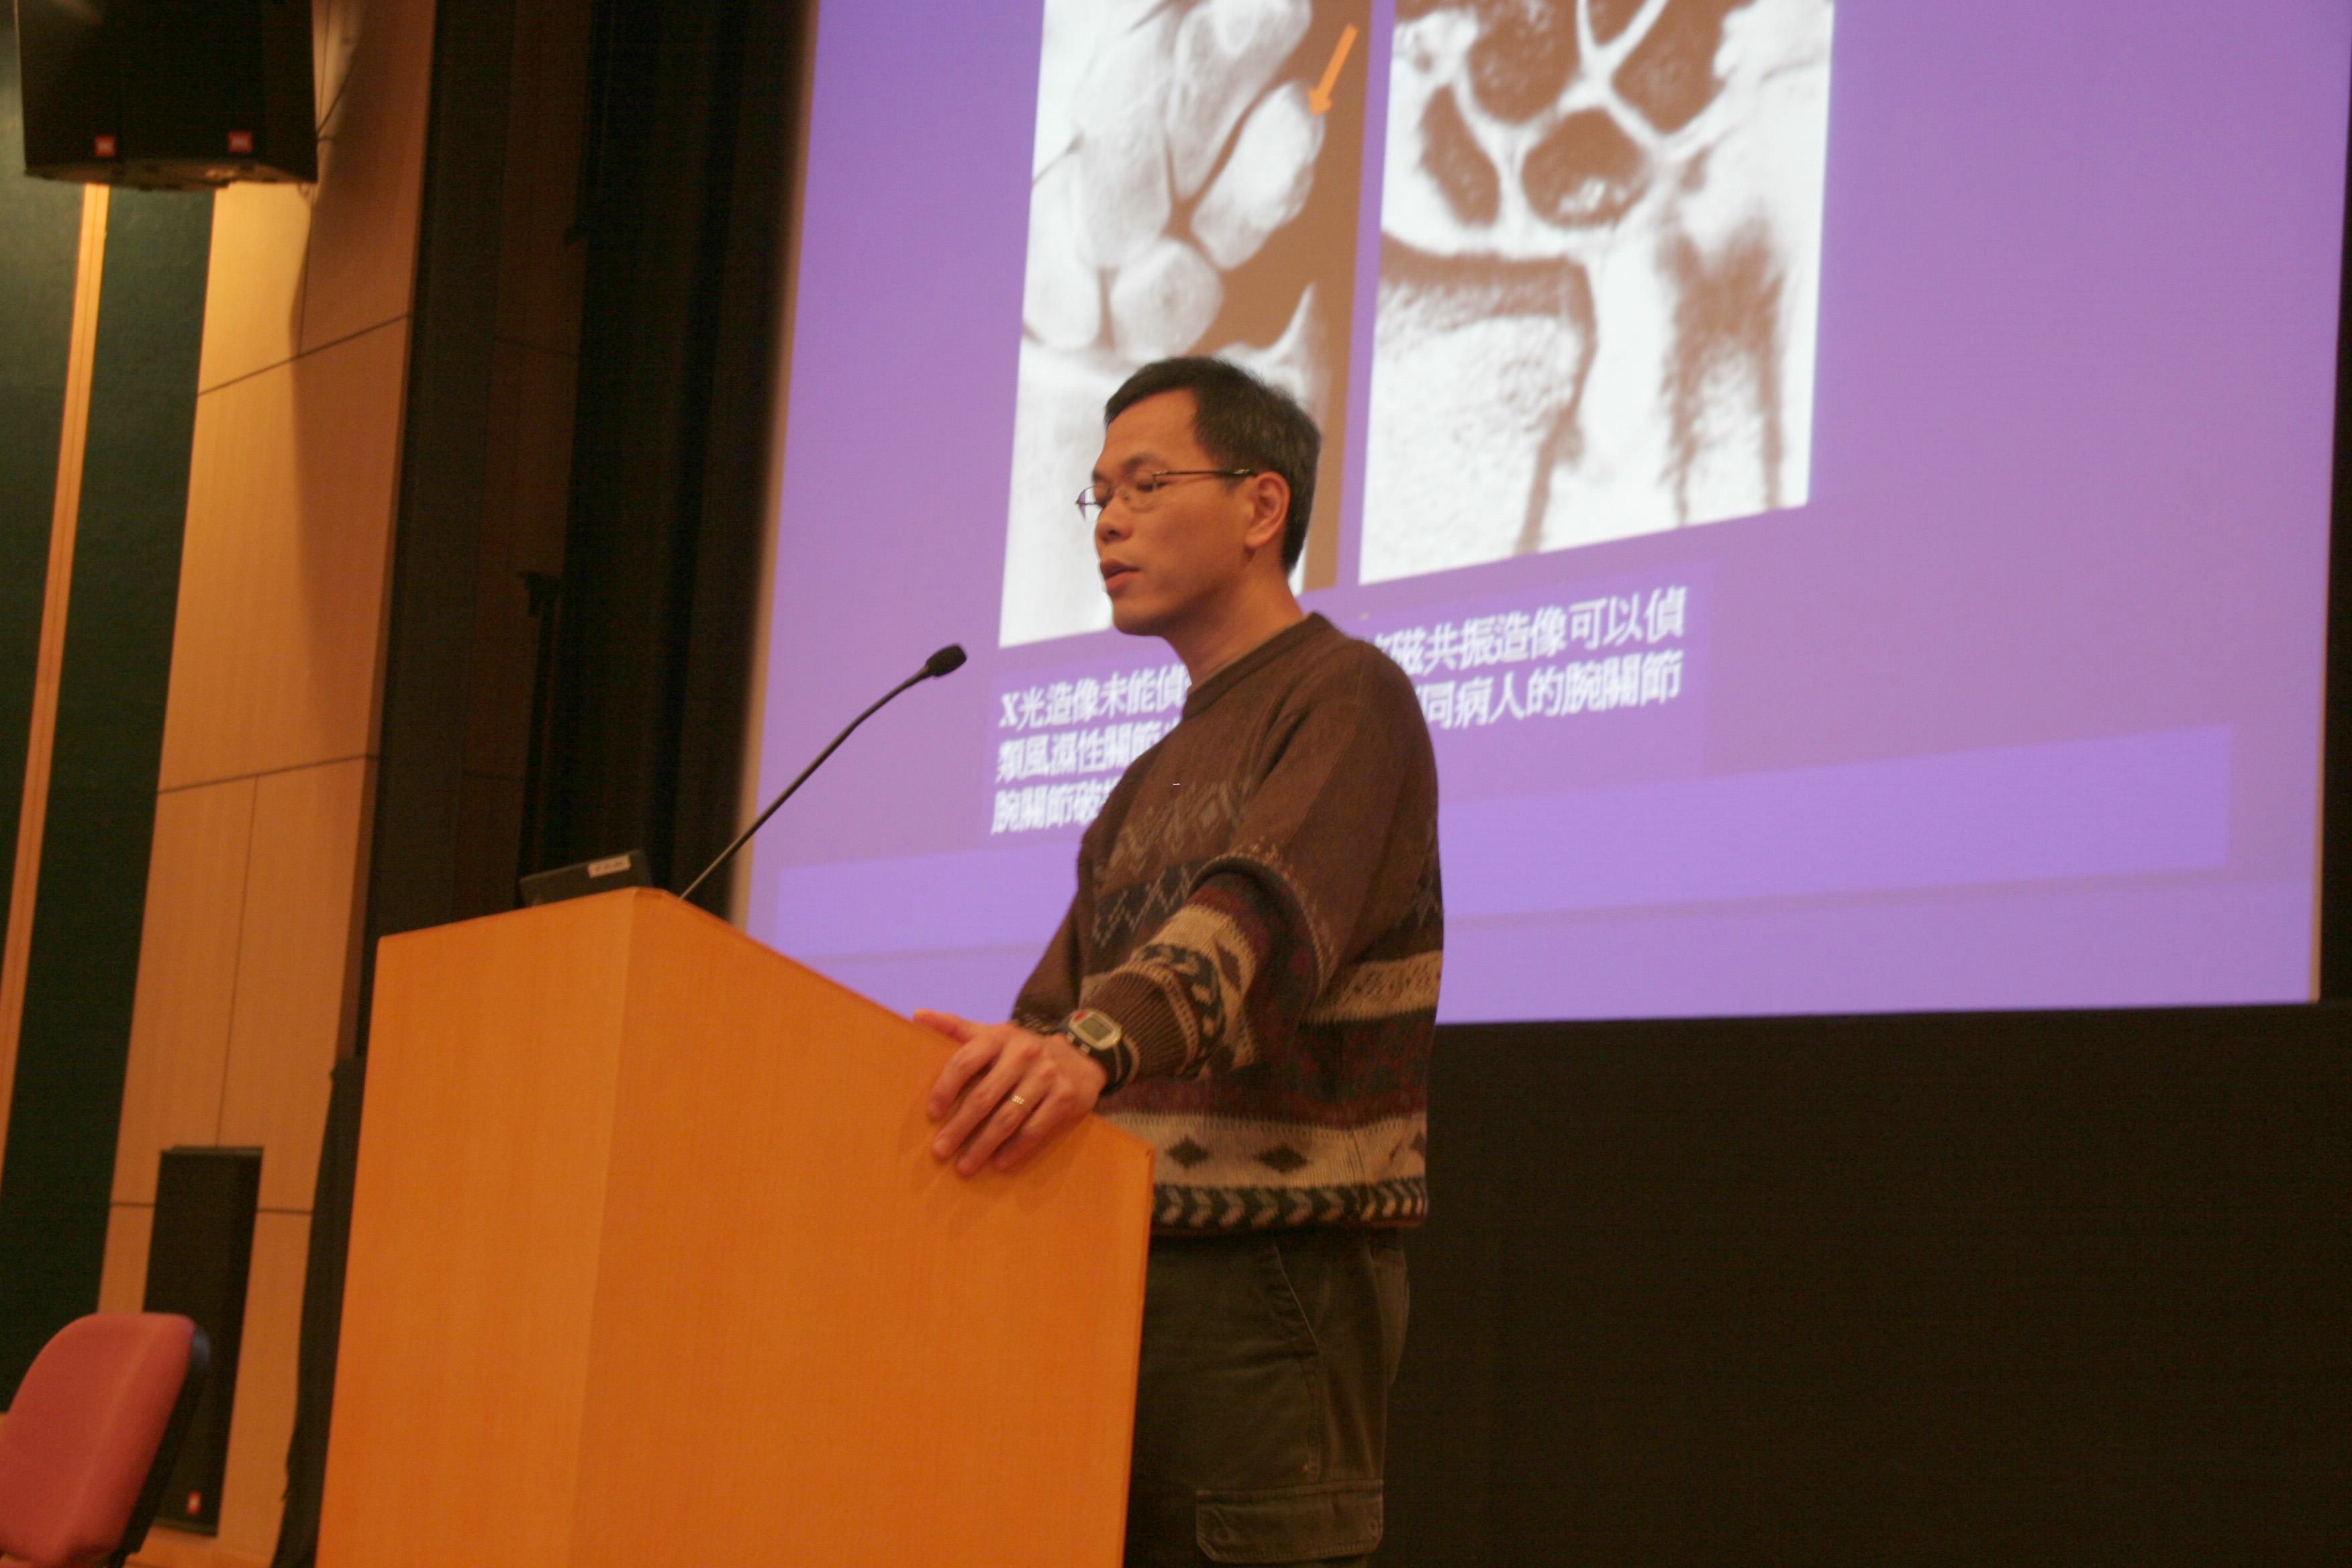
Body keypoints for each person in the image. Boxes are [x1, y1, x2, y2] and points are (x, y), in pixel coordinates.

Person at [916, 356, 1442, 1567]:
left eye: (1146, 485)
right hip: (1113, 1266)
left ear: (1262, 507)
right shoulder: (1145, 780)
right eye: (1099, 494)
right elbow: (1056, 1012)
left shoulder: (1349, 696)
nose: (1109, 520)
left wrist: (1088, 1052)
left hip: (1271, 1284)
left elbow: (1261, 921)